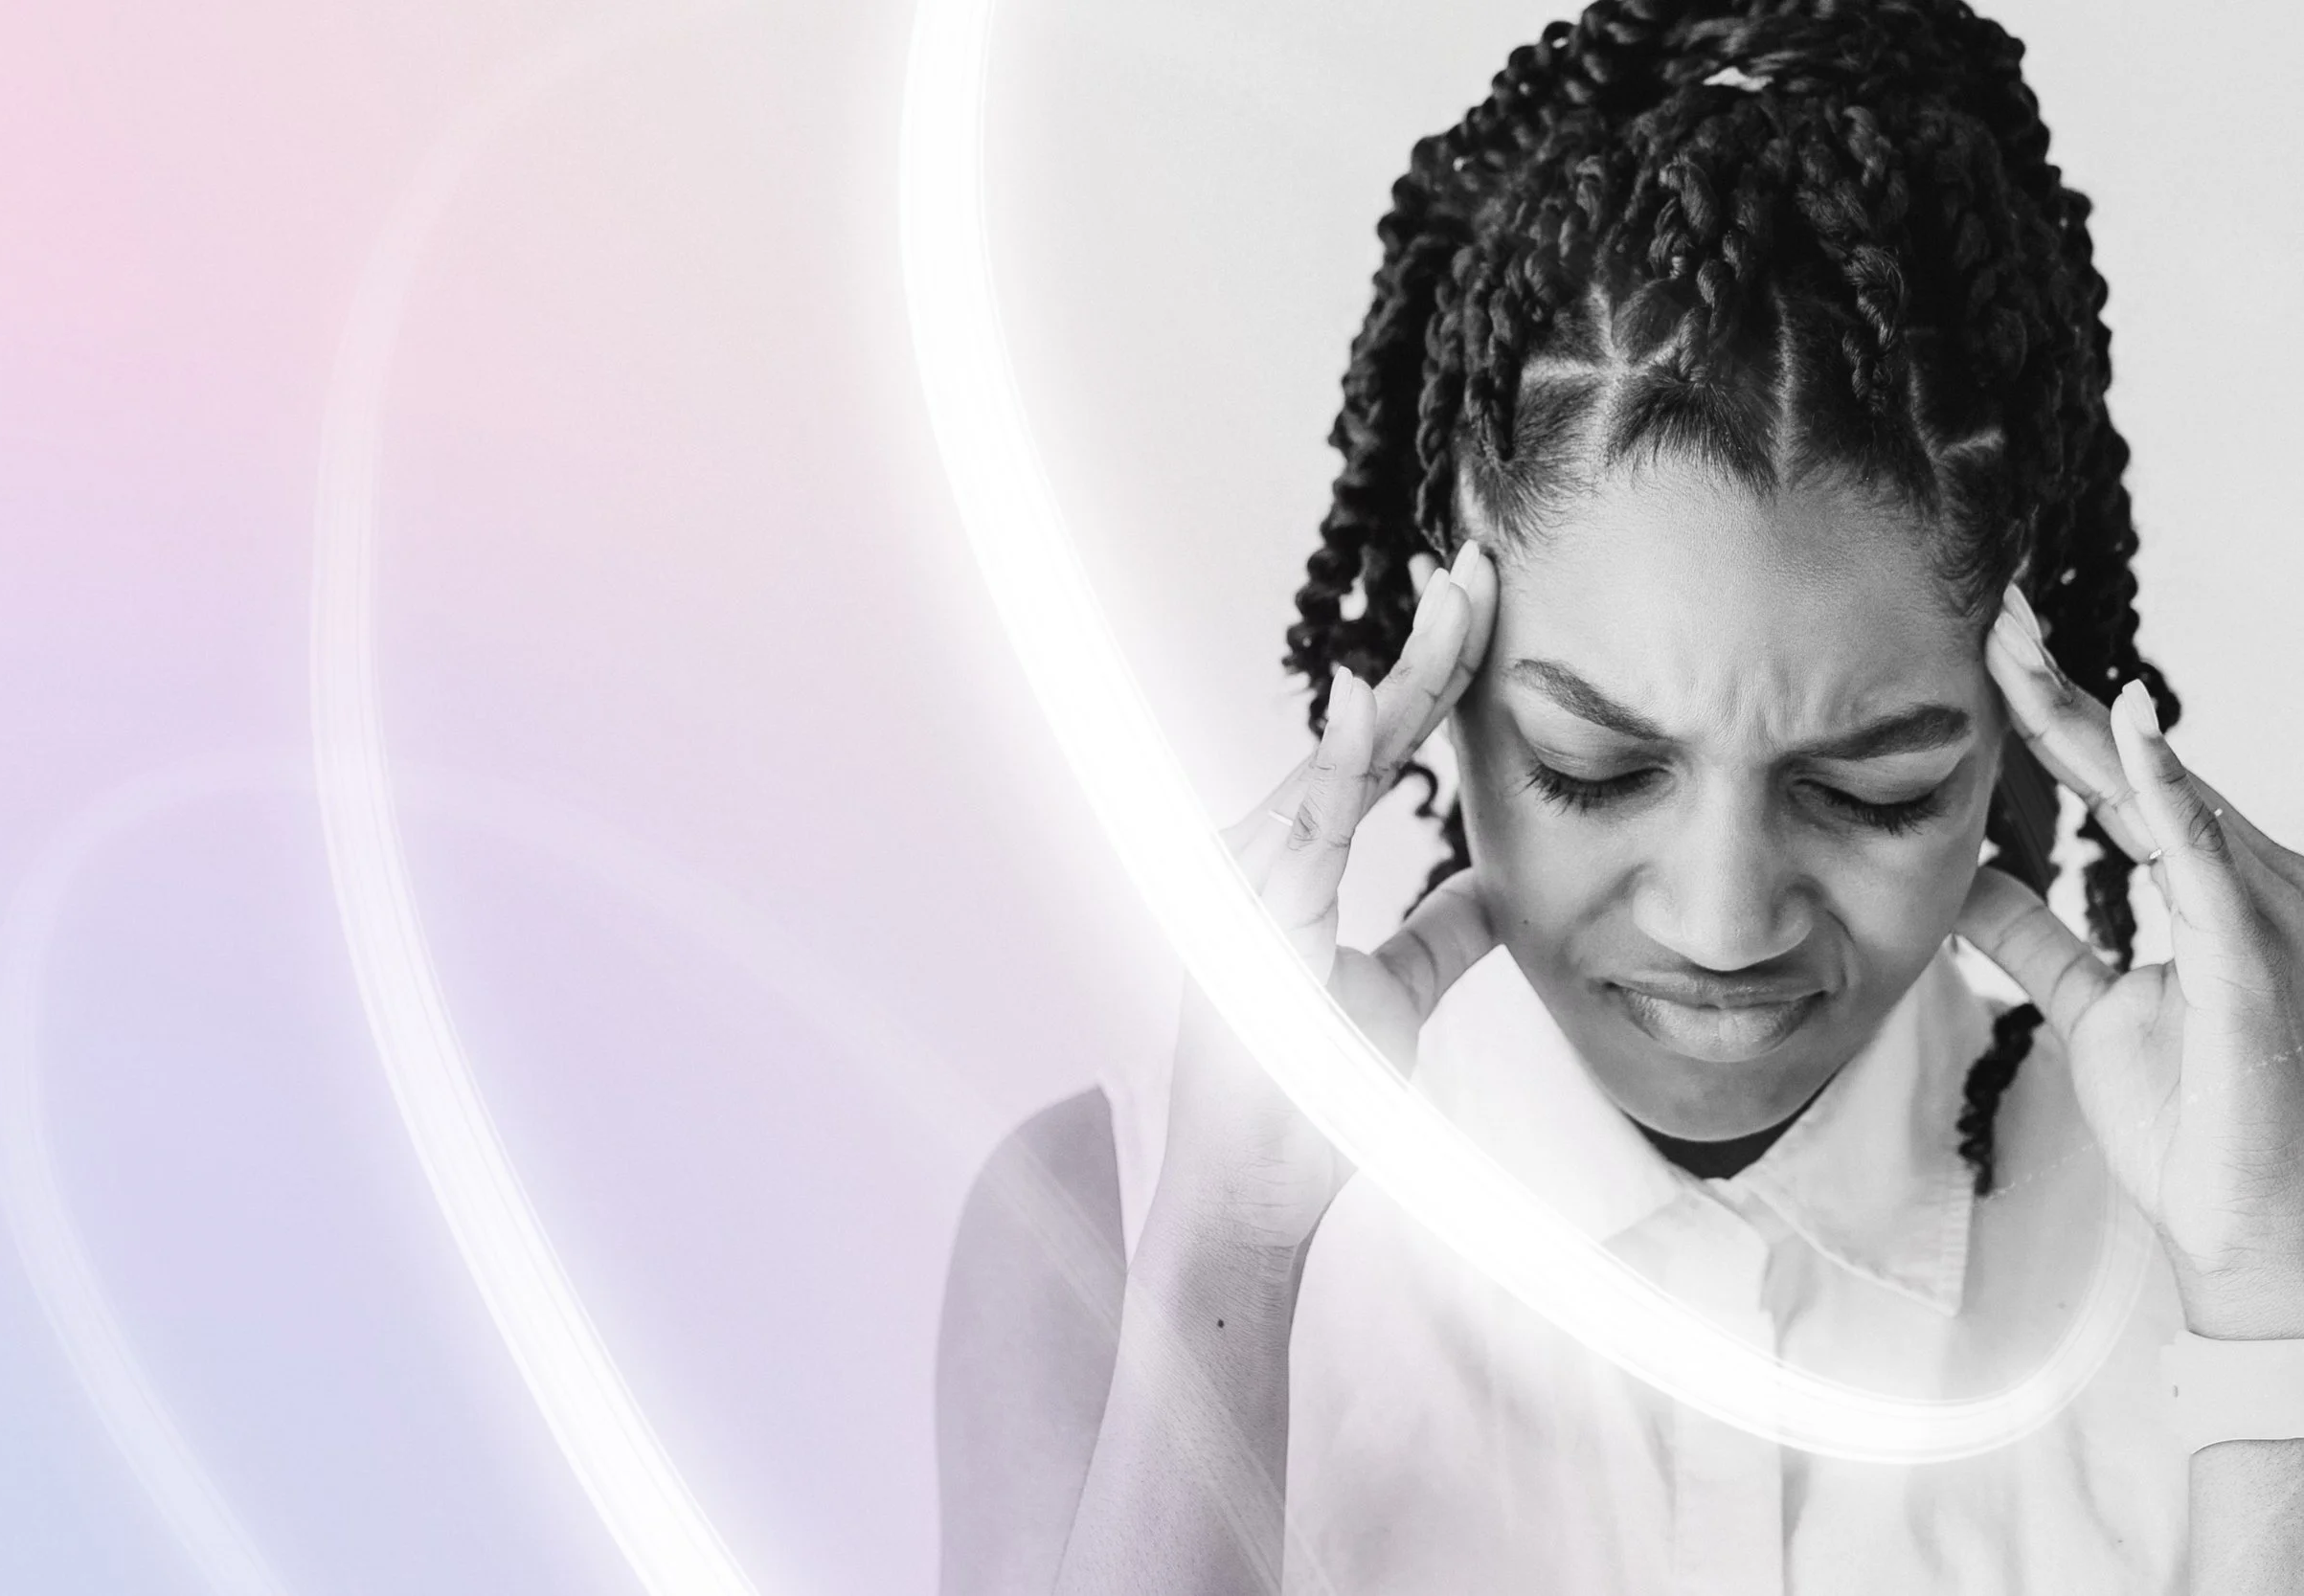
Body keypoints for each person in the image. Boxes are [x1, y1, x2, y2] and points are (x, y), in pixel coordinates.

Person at [935, 2, 2304, 1591]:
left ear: (2020, 706)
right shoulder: (1095, 1227)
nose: (1722, 919)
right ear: (1451, 629)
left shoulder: (2229, 1226)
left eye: (1870, 789)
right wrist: (1227, 1254)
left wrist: (2271, 1310)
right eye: (1598, 764)